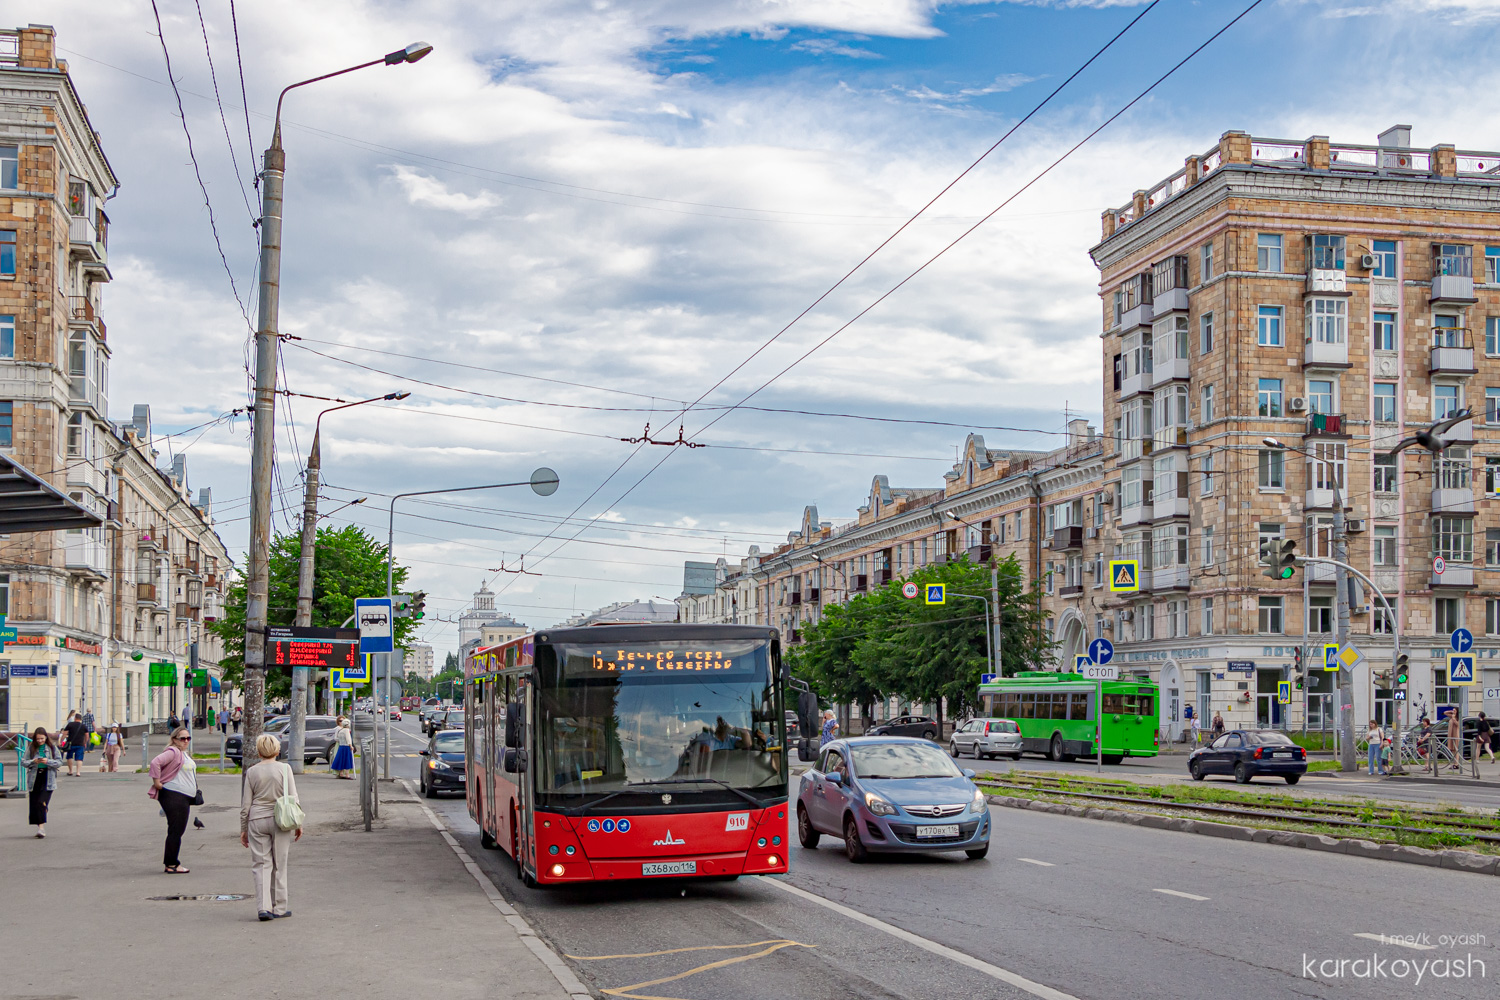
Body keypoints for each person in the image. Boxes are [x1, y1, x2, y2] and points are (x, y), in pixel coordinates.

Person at [241, 733, 301, 921]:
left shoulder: (252, 772)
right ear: (276, 749)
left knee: (261, 864)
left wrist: (243, 828)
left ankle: (263, 908)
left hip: (257, 820)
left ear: (259, 751)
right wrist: (298, 824)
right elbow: (294, 797)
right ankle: (280, 907)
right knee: (279, 865)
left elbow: (245, 805)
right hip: (281, 819)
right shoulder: (285, 769)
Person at [149, 727, 198, 874]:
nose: (186, 741)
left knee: (176, 830)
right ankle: (171, 864)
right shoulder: (173, 752)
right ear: (175, 739)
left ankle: (171, 863)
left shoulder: (183, 753)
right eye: (182, 738)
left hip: (181, 796)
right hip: (174, 795)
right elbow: (154, 763)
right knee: (176, 831)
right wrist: (157, 782)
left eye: (188, 738)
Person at [24, 727, 62, 838]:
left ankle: (41, 826)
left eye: (42, 738)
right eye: (38, 739)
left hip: (48, 778)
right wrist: (33, 761)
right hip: (35, 778)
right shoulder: (31, 748)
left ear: (46, 737)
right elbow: (23, 762)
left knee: (41, 802)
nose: (40, 741)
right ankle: (40, 825)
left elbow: (59, 762)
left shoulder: (52, 747)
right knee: (36, 804)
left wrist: (48, 761)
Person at [62, 711, 88, 777]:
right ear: (80, 719)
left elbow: (64, 734)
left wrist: (61, 741)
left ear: (75, 718)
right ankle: (78, 772)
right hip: (80, 744)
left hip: (71, 743)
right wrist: (85, 742)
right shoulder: (83, 726)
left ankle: (70, 771)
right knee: (79, 758)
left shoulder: (70, 724)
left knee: (69, 757)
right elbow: (87, 735)